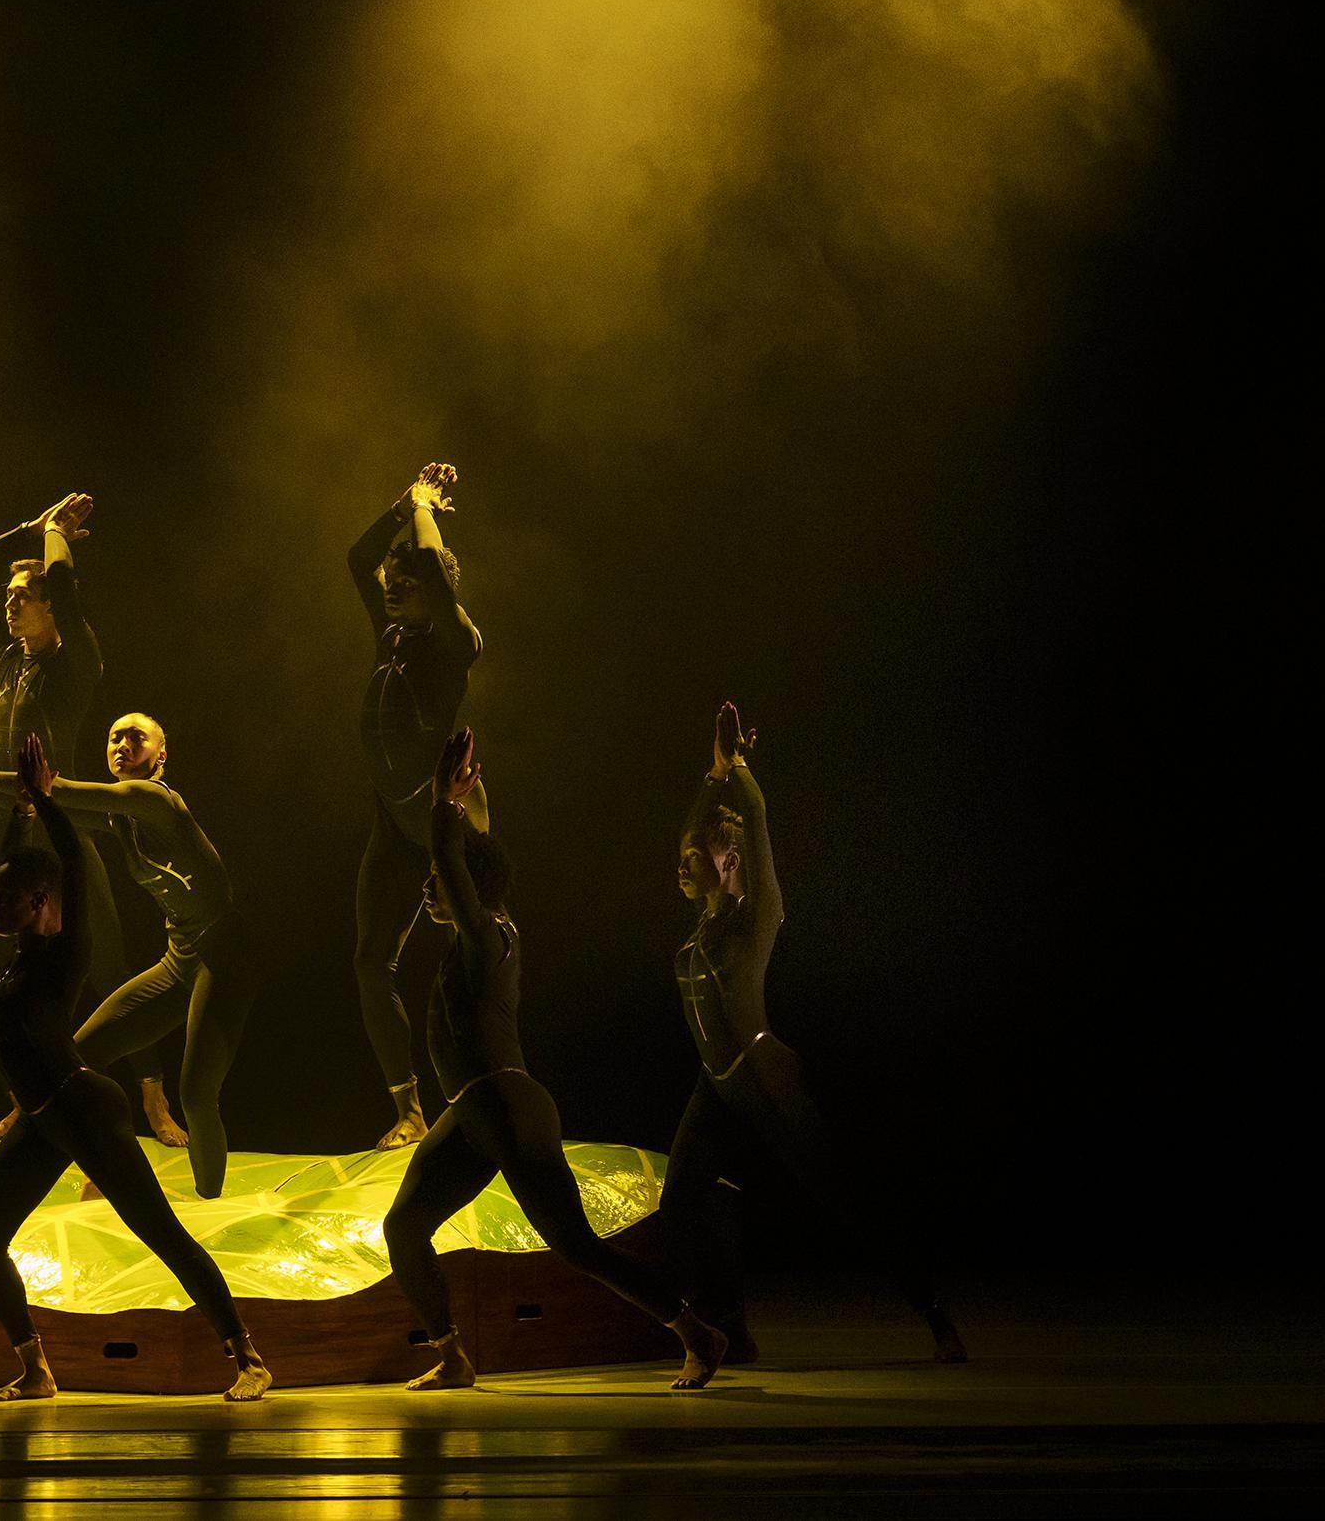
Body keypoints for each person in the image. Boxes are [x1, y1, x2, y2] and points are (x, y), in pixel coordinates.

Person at [381, 728, 704, 1391]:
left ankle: (697, 1333)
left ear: (470, 888)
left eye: (440, 882)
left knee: (577, 1246)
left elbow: (458, 860)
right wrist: (469, 794)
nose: (429, 890)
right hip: (473, 1111)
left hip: (505, 1104)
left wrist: (444, 808)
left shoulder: (486, 937)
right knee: (404, 1227)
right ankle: (452, 1357)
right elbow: (476, 848)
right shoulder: (490, 926)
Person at [658, 703, 964, 1384]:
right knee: (680, 1200)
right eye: (679, 854)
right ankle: (725, 1329)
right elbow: (695, 827)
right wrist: (711, 776)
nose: (680, 863)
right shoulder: (698, 930)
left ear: (726, 859)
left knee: (841, 1200)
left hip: (764, 1079)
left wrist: (739, 777)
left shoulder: (754, 917)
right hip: (717, 1087)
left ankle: (934, 1312)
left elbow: (757, 826)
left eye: (693, 855)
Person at [0, 734, 272, 1403]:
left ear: (44, 903)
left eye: (9, 894)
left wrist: (46, 800)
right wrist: (11, 805)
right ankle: (36, 1370)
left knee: (161, 1231)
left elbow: (71, 856)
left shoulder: (62, 955)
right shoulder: (17, 961)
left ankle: (246, 1355)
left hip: (84, 1109)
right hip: (46, 1121)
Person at [0, 711, 258, 1196]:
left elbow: (62, 791)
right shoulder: (122, 817)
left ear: (161, 753)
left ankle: (210, 1204)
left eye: (138, 737)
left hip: (224, 957)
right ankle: (107, 1164)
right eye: (115, 737)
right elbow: (51, 803)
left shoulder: (154, 799)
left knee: (197, 1094)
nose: (124, 744)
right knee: (80, 1055)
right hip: (180, 960)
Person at [0, 495, 175, 1143]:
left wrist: (53, 536)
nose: (9, 603)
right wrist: (27, 526)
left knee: (109, 965)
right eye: (10, 595)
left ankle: (154, 1098)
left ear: (50, 608)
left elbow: (68, 586)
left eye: (24, 596)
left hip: (57, 836)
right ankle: (29, 1097)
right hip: (2, 841)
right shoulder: (6, 658)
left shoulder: (73, 664)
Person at [348, 462, 485, 1146]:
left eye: (407, 586)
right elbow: (357, 558)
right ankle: (408, 1109)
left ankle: (486, 1093)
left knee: (479, 953)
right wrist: (400, 503)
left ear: (436, 590)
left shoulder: (451, 642)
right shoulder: (393, 633)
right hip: (393, 822)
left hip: (442, 820)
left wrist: (426, 509)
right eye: (389, 586)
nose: (393, 591)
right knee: (373, 962)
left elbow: (432, 562)